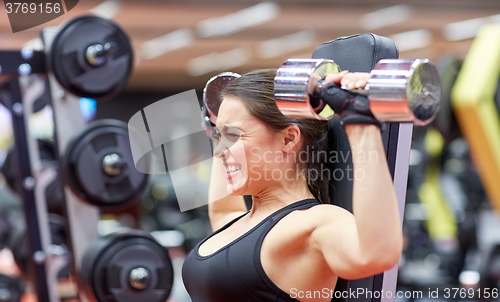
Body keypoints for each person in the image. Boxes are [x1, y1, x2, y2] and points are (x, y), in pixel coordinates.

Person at [182, 68, 403, 302]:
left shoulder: (315, 224)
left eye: (233, 135)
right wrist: (219, 121)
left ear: (288, 139)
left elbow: (376, 254)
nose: (217, 152)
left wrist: (360, 121)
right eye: (219, 136)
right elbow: (223, 211)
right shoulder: (242, 224)